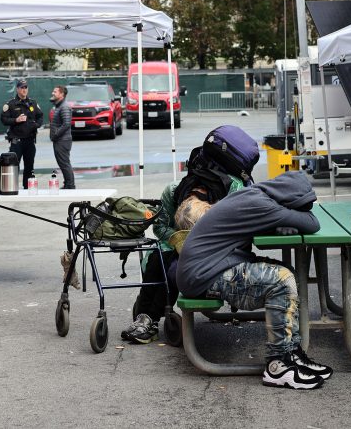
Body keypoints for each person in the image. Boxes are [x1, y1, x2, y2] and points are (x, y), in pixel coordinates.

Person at [177, 171, 333, 390]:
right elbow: (312, 222)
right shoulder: (262, 204)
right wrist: (289, 215)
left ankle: (291, 352)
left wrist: (282, 220)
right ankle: (277, 366)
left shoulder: (254, 196)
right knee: (281, 280)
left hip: (209, 267)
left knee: (288, 272)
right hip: (203, 275)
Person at [121, 132, 254, 344]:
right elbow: (160, 226)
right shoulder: (173, 191)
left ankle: (149, 318)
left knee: (177, 264)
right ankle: (147, 318)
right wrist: (176, 238)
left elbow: (240, 233)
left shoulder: (232, 192)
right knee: (159, 258)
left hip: (217, 249)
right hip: (176, 245)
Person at [0, 79, 43, 189]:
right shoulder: (11, 104)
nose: (24, 90)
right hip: (17, 141)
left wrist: (36, 125)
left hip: (30, 140)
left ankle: (27, 187)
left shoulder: (33, 103)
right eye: (22, 88)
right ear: (17, 89)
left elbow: (40, 116)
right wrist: (16, 120)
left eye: (25, 87)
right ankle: (12, 186)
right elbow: (4, 119)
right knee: (14, 165)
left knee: (29, 165)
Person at [49, 85, 75, 190]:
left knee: (64, 163)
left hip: (62, 140)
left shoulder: (64, 107)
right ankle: (68, 184)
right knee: (63, 163)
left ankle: (70, 185)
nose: (52, 93)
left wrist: (55, 135)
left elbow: (66, 124)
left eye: (55, 91)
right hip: (60, 140)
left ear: (62, 94)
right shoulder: (59, 106)